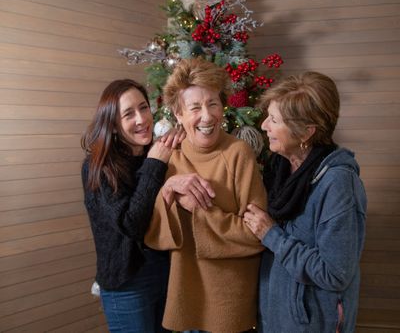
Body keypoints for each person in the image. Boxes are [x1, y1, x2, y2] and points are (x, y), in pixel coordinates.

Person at [145, 57, 267, 333]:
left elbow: (255, 234)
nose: (207, 116)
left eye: (213, 103)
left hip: (229, 299)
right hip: (186, 293)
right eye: (195, 108)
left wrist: (196, 208)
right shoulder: (170, 156)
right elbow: (154, 233)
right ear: (178, 115)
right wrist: (168, 190)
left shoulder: (238, 154)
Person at [243, 71, 367, 333]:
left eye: (274, 120)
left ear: (305, 133)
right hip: (276, 319)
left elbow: (335, 273)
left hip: (312, 324)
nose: (264, 126)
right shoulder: (279, 169)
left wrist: (271, 234)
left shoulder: (338, 184)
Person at [81, 79, 187, 333]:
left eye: (144, 107)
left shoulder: (155, 151)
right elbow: (131, 223)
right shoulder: (99, 166)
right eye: (129, 114)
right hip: (127, 282)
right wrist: (153, 165)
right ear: (114, 125)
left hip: (165, 272)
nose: (141, 119)